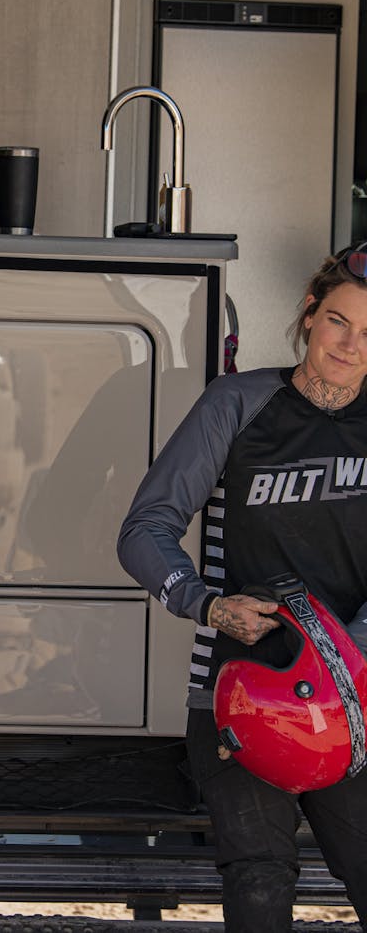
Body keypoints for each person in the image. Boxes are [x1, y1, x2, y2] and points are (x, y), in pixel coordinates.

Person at [117, 240, 367, 933]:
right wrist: (206, 602)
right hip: (243, 692)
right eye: (340, 320)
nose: (351, 344)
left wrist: (353, 647)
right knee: (259, 885)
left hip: (355, 698)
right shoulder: (239, 402)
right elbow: (145, 529)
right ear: (310, 315)